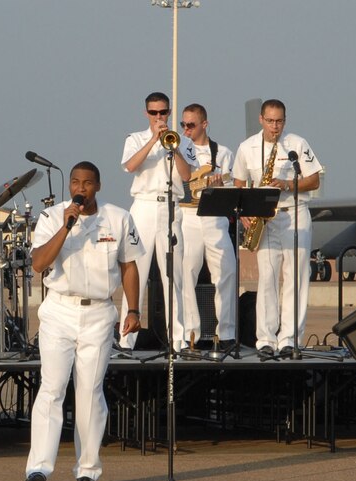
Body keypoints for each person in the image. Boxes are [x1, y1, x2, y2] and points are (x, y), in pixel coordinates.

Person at [24, 161, 144, 481]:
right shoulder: (52, 217)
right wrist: (66, 227)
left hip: (99, 313)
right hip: (60, 310)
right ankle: (38, 469)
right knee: (52, 388)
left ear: (98, 186)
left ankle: (88, 471)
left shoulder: (119, 218)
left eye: (87, 183)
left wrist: (133, 309)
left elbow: (129, 266)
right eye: (75, 182)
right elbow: (39, 263)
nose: (80, 188)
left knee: (90, 392)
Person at [232, 99, 322, 357]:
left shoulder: (297, 144)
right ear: (261, 120)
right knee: (267, 278)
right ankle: (266, 340)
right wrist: (244, 213)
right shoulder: (247, 147)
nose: (275, 127)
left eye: (279, 121)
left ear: (285, 121)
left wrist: (287, 184)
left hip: (295, 213)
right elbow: (239, 183)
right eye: (270, 121)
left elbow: (314, 180)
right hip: (265, 218)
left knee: (296, 278)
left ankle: (290, 339)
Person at [119, 91, 196, 352]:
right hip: (143, 205)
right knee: (135, 272)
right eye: (153, 112)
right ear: (146, 113)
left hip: (170, 206)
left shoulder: (183, 141)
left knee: (173, 274)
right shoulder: (135, 139)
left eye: (163, 112)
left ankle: (178, 340)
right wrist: (153, 139)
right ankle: (126, 340)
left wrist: (174, 148)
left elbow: (186, 176)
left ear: (169, 112)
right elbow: (130, 166)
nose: (158, 116)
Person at [178, 103, 237, 349]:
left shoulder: (222, 153)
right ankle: (190, 334)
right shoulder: (177, 149)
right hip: (187, 216)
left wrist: (220, 185)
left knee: (227, 271)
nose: (186, 129)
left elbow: (233, 187)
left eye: (191, 125)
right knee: (186, 273)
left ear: (204, 124)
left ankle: (226, 334)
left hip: (214, 216)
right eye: (183, 124)